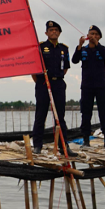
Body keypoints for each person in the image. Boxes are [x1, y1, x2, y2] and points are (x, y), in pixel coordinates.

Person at [31, 20, 75, 156]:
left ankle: (64, 146)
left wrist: (56, 78)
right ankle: (37, 145)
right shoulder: (40, 47)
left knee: (60, 117)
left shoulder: (64, 49)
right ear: (46, 33)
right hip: (43, 84)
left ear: (60, 33)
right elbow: (33, 70)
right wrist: (43, 81)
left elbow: (65, 68)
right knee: (41, 115)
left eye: (56, 30)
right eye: (51, 30)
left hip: (58, 84)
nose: (54, 32)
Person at [71, 24, 105, 150]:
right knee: (86, 113)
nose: (93, 36)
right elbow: (74, 60)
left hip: (101, 86)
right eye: (91, 34)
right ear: (87, 36)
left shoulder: (104, 48)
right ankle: (86, 140)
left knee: (104, 113)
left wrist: (97, 44)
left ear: (99, 37)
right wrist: (79, 46)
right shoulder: (83, 49)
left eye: (96, 34)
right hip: (87, 86)